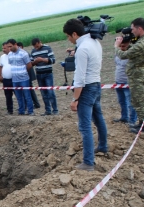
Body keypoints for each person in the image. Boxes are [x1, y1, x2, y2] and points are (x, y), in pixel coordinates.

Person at [63, 18, 108, 171]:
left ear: (74, 34)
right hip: (96, 85)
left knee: (85, 126)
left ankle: (88, 162)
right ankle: (103, 146)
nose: (68, 39)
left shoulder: (82, 49)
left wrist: (75, 99)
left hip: (86, 89)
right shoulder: (94, 42)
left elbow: (80, 79)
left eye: (68, 36)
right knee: (99, 118)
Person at [115, 17, 144, 133]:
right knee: (137, 101)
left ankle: (143, 126)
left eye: (133, 29)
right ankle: (142, 124)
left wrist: (116, 46)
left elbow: (124, 55)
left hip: (136, 75)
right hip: (138, 73)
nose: (131, 31)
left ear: (139, 28)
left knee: (138, 102)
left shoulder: (142, 43)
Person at [31, 38, 59, 116]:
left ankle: (55, 110)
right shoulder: (33, 51)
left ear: (40, 42)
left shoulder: (47, 48)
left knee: (50, 92)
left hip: (48, 73)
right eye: (35, 47)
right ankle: (48, 110)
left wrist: (42, 59)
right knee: (43, 93)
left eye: (37, 46)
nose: (36, 48)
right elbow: (31, 63)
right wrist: (35, 62)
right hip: (39, 74)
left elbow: (53, 60)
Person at [7, 39, 34, 116]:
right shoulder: (10, 54)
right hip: (14, 79)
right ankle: (21, 111)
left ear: (15, 44)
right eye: (8, 47)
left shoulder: (23, 53)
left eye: (10, 46)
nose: (9, 48)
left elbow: (29, 65)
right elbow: (11, 64)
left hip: (24, 79)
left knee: (27, 96)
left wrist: (23, 71)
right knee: (18, 97)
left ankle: (30, 111)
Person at [113, 39, 137, 126]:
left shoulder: (130, 54)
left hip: (128, 82)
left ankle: (132, 121)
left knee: (131, 103)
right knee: (122, 101)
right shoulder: (117, 53)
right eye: (120, 46)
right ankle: (124, 117)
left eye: (124, 46)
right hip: (118, 81)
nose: (121, 48)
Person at [17, 42, 41, 109]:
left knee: (29, 88)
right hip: (26, 73)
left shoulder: (24, 53)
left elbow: (30, 63)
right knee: (29, 89)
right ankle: (34, 104)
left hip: (28, 73)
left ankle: (35, 104)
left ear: (21, 47)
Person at [0, 42, 15, 115]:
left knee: (18, 94)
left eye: (5, 48)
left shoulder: (14, 55)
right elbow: (0, 67)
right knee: (8, 96)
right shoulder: (2, 57)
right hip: (6, 80)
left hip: (15, 78)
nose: (3, 50)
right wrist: (0, 76)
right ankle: (9, 110)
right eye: (2, 48)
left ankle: (23, 108)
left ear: (9, 47)